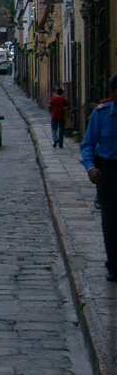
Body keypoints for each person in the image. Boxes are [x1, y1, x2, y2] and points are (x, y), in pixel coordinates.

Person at [80, 72, 117, 282]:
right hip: (109, 172)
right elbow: (87, 144)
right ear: (112, 92)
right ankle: (113, 265)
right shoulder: (101, 115)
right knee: (111, 220)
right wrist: (89, 167)